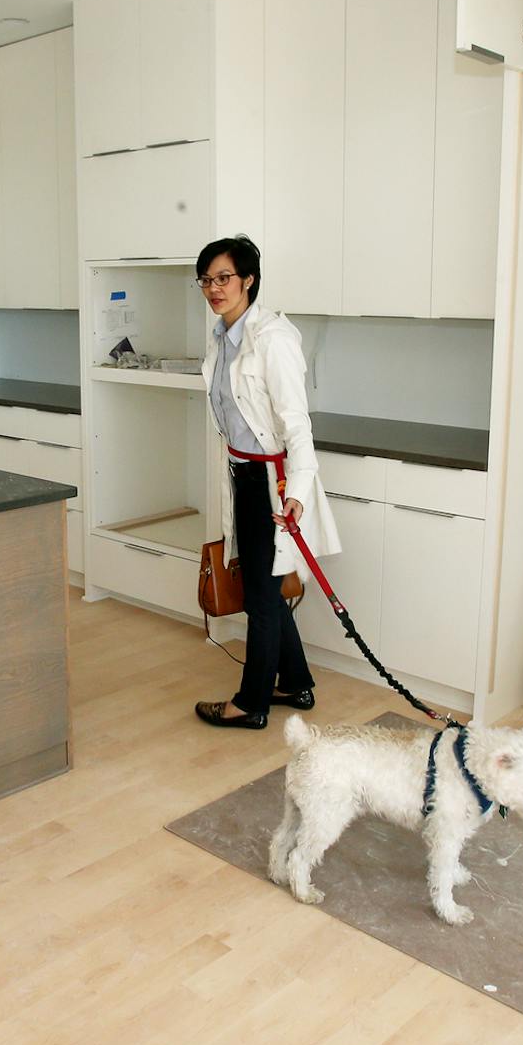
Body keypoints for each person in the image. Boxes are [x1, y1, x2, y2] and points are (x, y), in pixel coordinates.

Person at [191, 235, 341, 729]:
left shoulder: (272, 339)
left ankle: (251, 701)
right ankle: (294, 681)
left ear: (249, 280)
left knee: (260, 593)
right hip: (242, 472)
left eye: (224, 278)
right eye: (207, 280)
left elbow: (296, 423)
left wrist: (295, 492)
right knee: (267, 587)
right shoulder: (221, 336)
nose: (214, 288)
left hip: (271, 481)